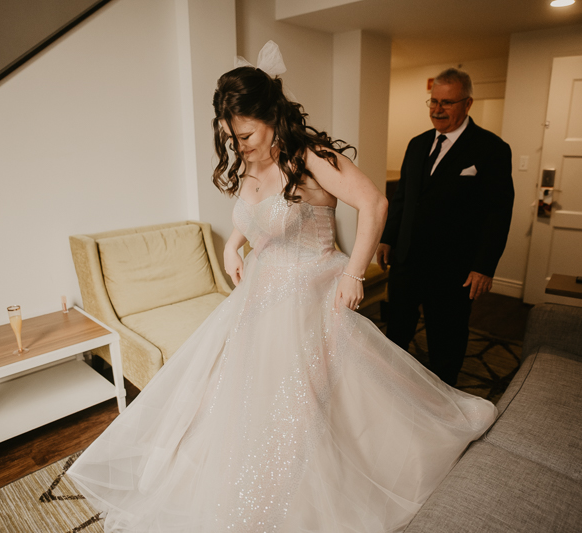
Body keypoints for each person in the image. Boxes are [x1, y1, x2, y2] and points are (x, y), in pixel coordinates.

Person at [67, 43, 497, 533]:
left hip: (311, 290)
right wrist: (234, 247)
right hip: (260, 296)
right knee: (242, 402)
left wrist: (354, 273)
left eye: (246, 134)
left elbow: (374, 205)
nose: (240, 145)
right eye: (232, 138)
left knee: (308, 403)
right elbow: (257, 216)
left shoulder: (312, 157)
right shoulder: (252, 162)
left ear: (272, 115)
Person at [377, 68, 514, 387]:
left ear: (468, 104)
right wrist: (388, 238)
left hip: (453, 268)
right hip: (407, 259)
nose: (437, 109)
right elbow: (403, 198)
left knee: (446, 339)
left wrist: (484, 267)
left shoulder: (491, 149)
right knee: (395, 331)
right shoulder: (417, 144)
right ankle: (388, 389)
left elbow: (499, 212)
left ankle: (443, 399)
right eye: (433, 101)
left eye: (447, 103)